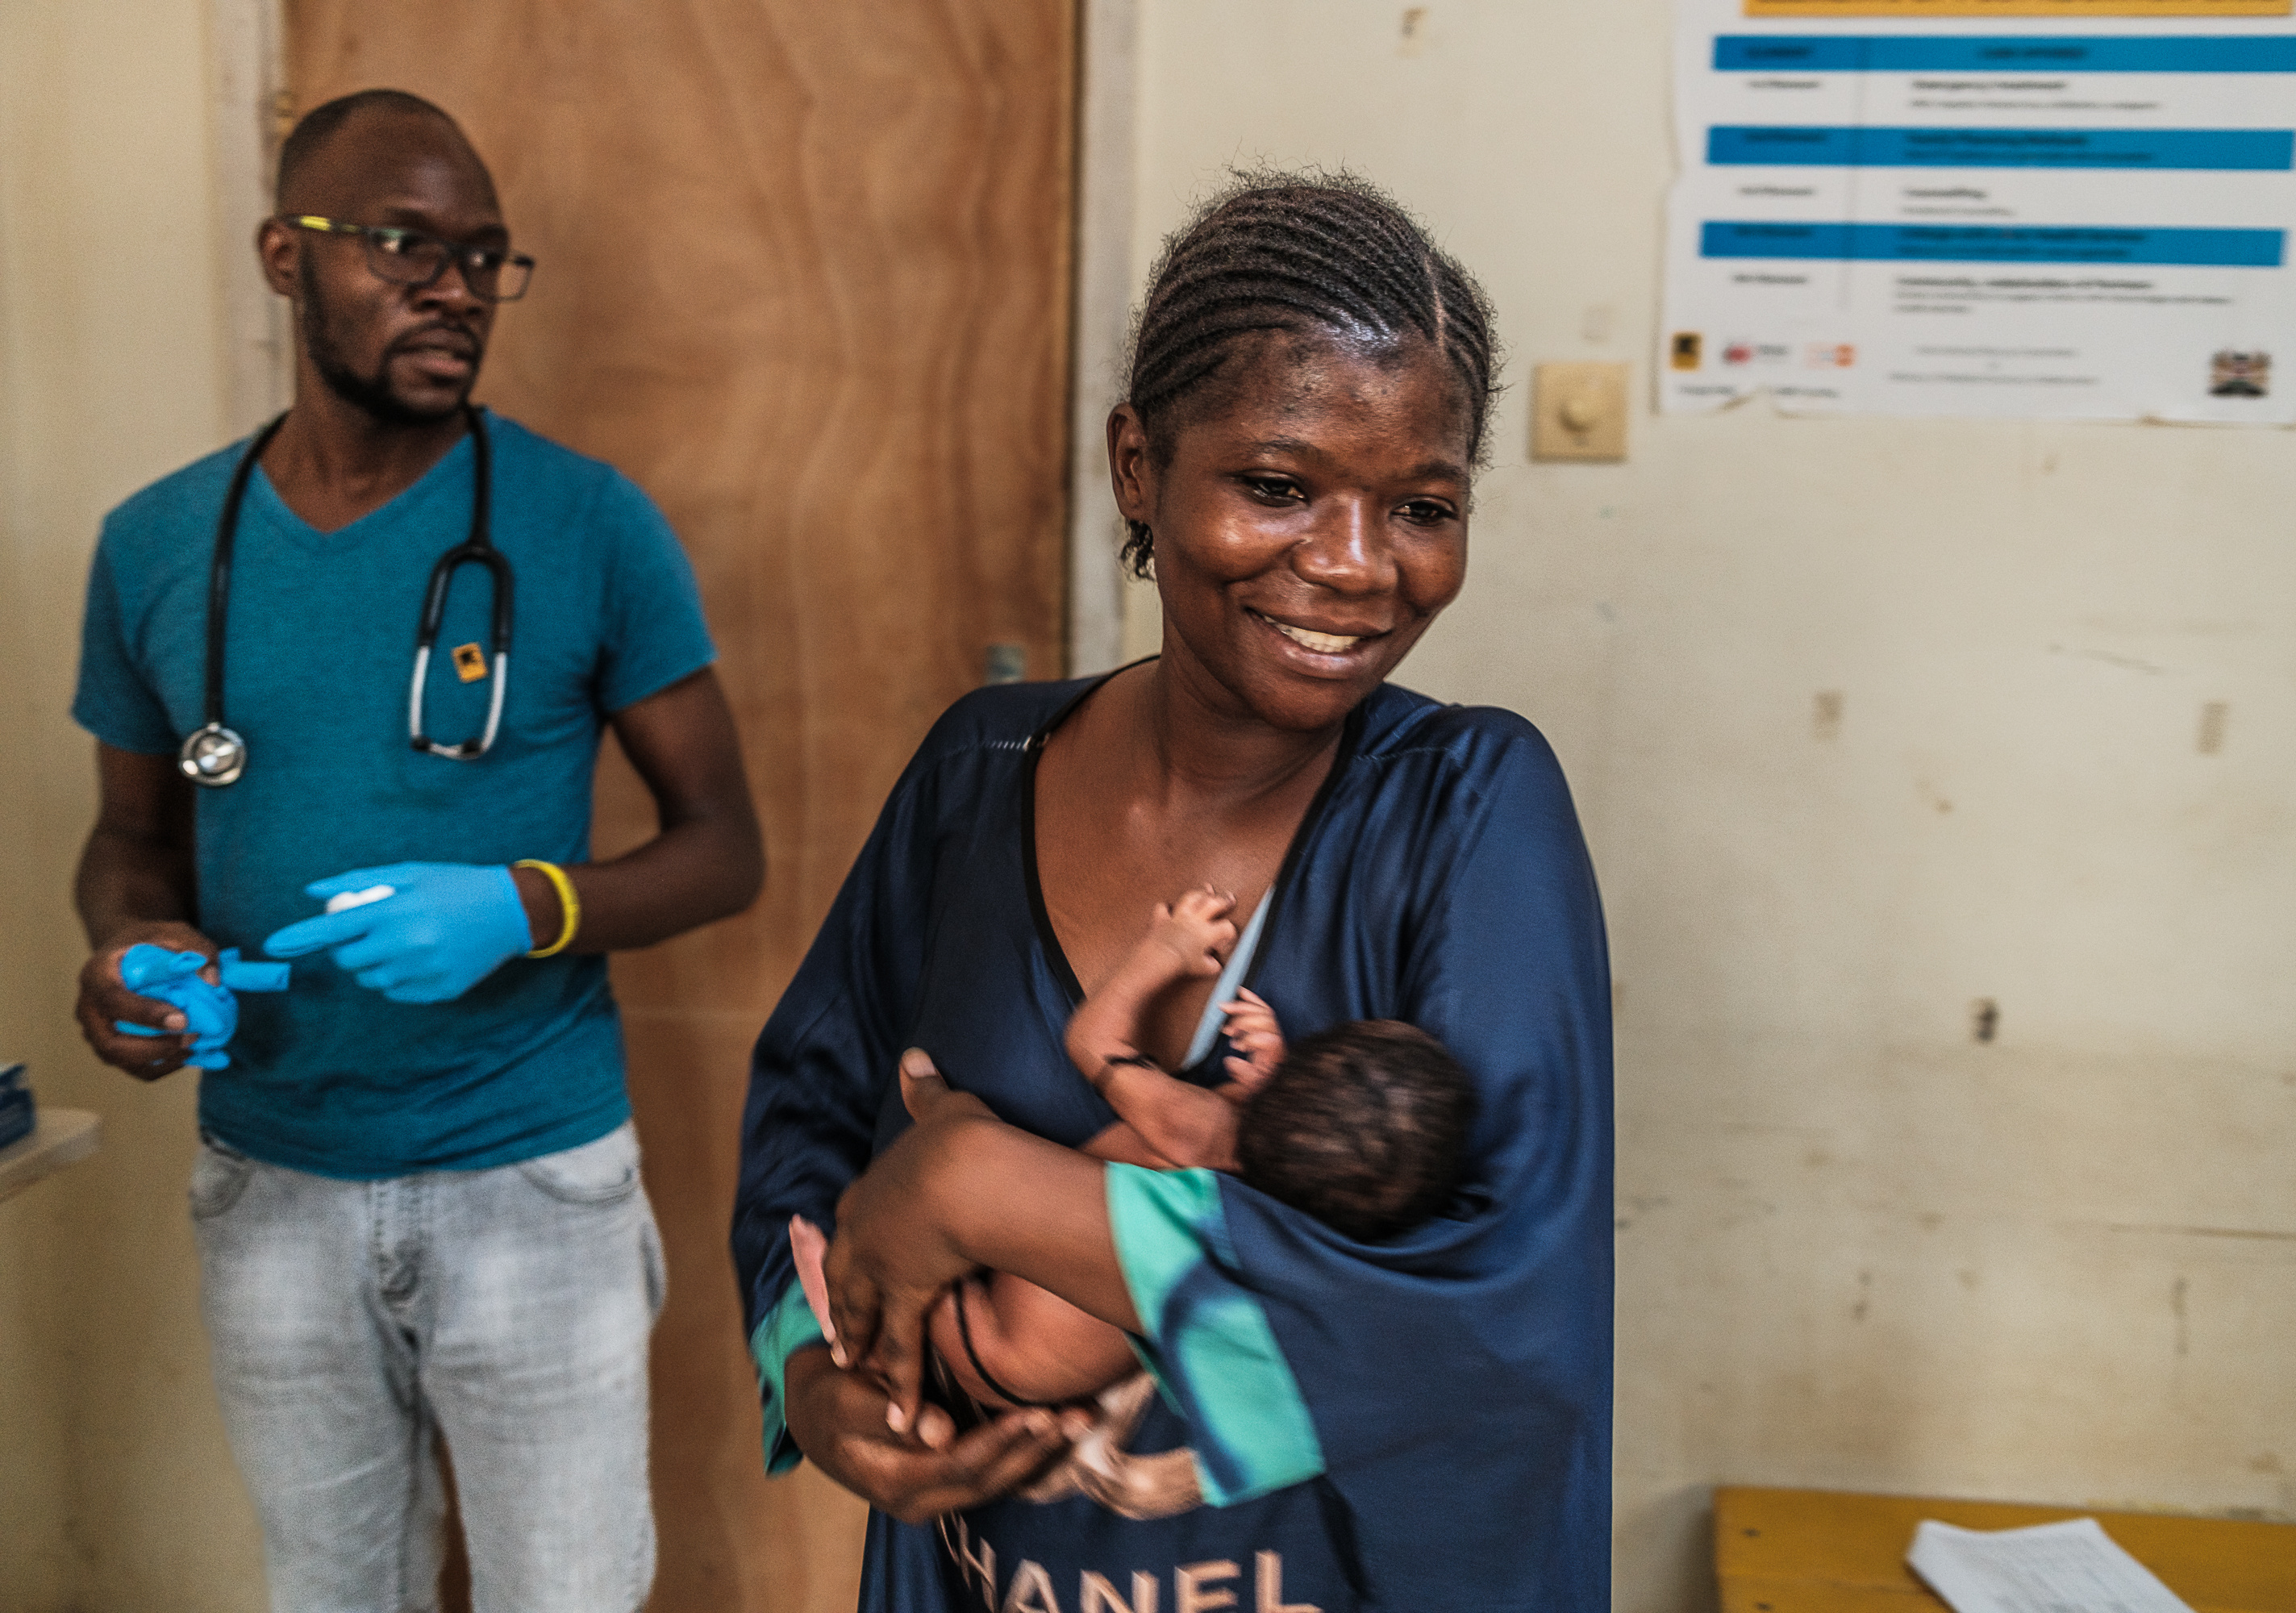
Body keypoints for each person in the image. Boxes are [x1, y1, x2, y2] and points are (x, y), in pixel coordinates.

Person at [733, 172, 1611, 1611]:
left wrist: (976, 1187)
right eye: (1277, 485)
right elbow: (812, 1114)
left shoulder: (1470, 811)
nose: (1352, 565)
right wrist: (822, 1375)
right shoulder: (978, 770)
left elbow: (1499, 1329)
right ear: (1139, 467)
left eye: (1422, 507)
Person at [70, 89, 763, 1613]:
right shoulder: (159, 545)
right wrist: (127, 960)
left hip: (533, 1179)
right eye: (405, 246)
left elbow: (724, 849)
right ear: (283, 254)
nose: (455, 287)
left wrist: (528, 905)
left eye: (485, 257)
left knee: (565, 1594)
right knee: (330, 1593)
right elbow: (127, 843)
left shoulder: (590, 527)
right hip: (272, 1186)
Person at [788, 886, 1477, 1416]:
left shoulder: (1200, 1129)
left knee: (958, 1136)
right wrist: (1272, 1065)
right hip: (1040, 1363)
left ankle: (844, 1318)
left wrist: (1166, 952)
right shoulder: (1278, 1211)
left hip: (990, 1338)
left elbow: (1094, 1045)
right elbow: (1312, 1131)